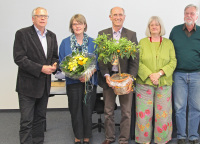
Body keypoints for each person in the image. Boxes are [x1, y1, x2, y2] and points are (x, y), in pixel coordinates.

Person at [13, 7, 58, 144]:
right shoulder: (22, 34)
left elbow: (54, 57)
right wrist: (41, 68)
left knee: (40, 119)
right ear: (33, 18)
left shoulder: (52, 35)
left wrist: (55, 65)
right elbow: (19, 58)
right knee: (27, 121)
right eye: (39, 16)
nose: (43, 18)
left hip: (44, 85)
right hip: (27, 86)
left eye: (45, 16)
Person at [169, 4, 200, 144]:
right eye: (187, 13)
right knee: (179, 107)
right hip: (179, 74)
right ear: (183, 15)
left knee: (196, 107)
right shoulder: (175, 31)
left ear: (197, 16)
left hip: (196, 75)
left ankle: (193, 136)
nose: (189, 15)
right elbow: (169, 51)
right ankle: (181, 136)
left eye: (192, 13)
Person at [97, 6, 139, 144]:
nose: (118, 17)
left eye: (120, 14)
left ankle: (123, 139)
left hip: (125, 78)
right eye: (115, 15)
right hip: (109, 78)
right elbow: (101, 59)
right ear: (110, 17)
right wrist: (106, 75)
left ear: (124, 17)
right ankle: (109, 137)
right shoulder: (102, 34)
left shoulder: (131, 35)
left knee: (126, 112)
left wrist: (130, 79)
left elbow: (134, 60)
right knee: (108, 111)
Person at [135, 16, 177, 144]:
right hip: (144, 84)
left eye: (156, 25)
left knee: (163, 115)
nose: (154, 27)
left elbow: (173, 61)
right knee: (143, 115)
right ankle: (144, 140)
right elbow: (138, 62)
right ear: (149, 28)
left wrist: (159, 74)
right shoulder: (142, 42)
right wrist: (150, 75)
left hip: (163, 83)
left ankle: (162, 140)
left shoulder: (168, 43)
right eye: (151, 25)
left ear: (160, 28)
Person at [59, 14, 97, 144]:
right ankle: (77, 135)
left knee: (87, 109)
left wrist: (89, 74)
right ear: (71, 26)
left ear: (84, 25)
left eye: (80, 23)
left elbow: (97, 62)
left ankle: (87, 135)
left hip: (89, 82)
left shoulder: (93, 42)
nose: (78, 26)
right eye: (75, 24)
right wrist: (74, 74)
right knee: (75, 109)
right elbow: (62, 62)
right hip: (72, 82)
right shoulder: (65, 42)